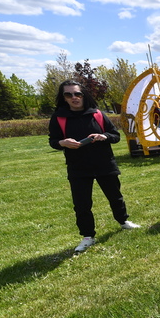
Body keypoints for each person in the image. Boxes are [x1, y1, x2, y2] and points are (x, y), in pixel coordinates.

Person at [48, 80, 140, 253]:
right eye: (69, 95)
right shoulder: (59, 117)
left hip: (104, 164)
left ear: (83, 95)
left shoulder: (97, 113)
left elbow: (115, 135)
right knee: (82, 204)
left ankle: (123, 221)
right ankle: (87, 236)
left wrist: (103, 136)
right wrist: (63, 142)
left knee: (115, 196)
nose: (74, 97)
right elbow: (53, 141)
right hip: (78, 168)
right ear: (64, 98)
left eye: (77, 94)